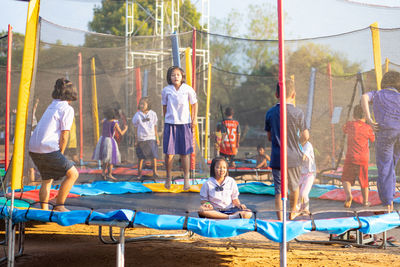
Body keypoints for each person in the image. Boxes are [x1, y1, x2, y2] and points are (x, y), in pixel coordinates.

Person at [28, 78, 79, 212]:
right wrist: (60, 152)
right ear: (72, 93)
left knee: (47, 179)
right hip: (47, 148)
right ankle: (59, 204)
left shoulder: (52, 105)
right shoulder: (67, 109)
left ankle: (44, 210)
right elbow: (64, 135)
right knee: (73, 174)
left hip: (33, 148)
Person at [265, 80, 309, 221]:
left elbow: (270, 137)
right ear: (294, 94)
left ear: (276, 94)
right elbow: (306, 135)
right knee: (294, 186)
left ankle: (279, 218)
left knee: (278, 190)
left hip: (278, 156)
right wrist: (298, 143)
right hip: (294, 156)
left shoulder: (271, 113)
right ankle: (291, 212)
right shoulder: (298, 112)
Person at [361, 71, 400, 212]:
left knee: (385, 166)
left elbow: (364, 97)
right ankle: (389, 198)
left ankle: (387, 204)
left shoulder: (377, 94)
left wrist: (369, 120)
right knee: (391, 166)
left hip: (386, 133)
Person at [162, 66, 198, 190]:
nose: (175, 77)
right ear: (169, 77)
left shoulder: (187, 89)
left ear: (182, 76)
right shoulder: (166, 90)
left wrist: (193, 119)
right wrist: (166, 119)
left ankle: (186, 179)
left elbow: (194, 104)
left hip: (185, 124)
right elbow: (164, 107)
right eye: (173, 75)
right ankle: (168, 178)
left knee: (185, 153)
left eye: (178, 74)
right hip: (170, 124)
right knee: (169, 154)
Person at [341, 105, 375, 208]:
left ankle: (349, 195)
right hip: (363, 159)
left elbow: (344, 130)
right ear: (365, 116)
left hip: (351, 157)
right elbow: (373, 139)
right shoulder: (368, 128)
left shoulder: (350, 125)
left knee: (345, 179)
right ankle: (365, 201)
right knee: (364, 181)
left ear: (353, 115)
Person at [92, 108, 128, 181]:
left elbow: (101, 121)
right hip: (110, 141)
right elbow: (121, 133)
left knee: (105, 158)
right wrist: (125, 129)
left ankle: (103, 172)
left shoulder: (104, 121)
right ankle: (109, 174)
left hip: (102, 139)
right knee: (111, 158)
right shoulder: (115, 123)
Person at [132, 97, 159, 179]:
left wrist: (157, 138)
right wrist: (136, 140)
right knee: (141, 158)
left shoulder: (153, 114)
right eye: (140, 104)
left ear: (148, 105)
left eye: (143, 104)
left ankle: (155, 172)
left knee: (153, 156)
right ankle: (139, 174)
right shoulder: (137, 115)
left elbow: (155, 126)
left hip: (151, 138)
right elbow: (135, 127)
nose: (141, 105)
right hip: (141, 139)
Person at [297, 141, 316, 214]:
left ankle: (306, 209)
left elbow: (303, 157)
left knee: (303, 193)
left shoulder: (308, 145)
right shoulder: (298, 144)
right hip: (300, 173)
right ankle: (298, 208)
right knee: (297, 193)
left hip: (310, 174)